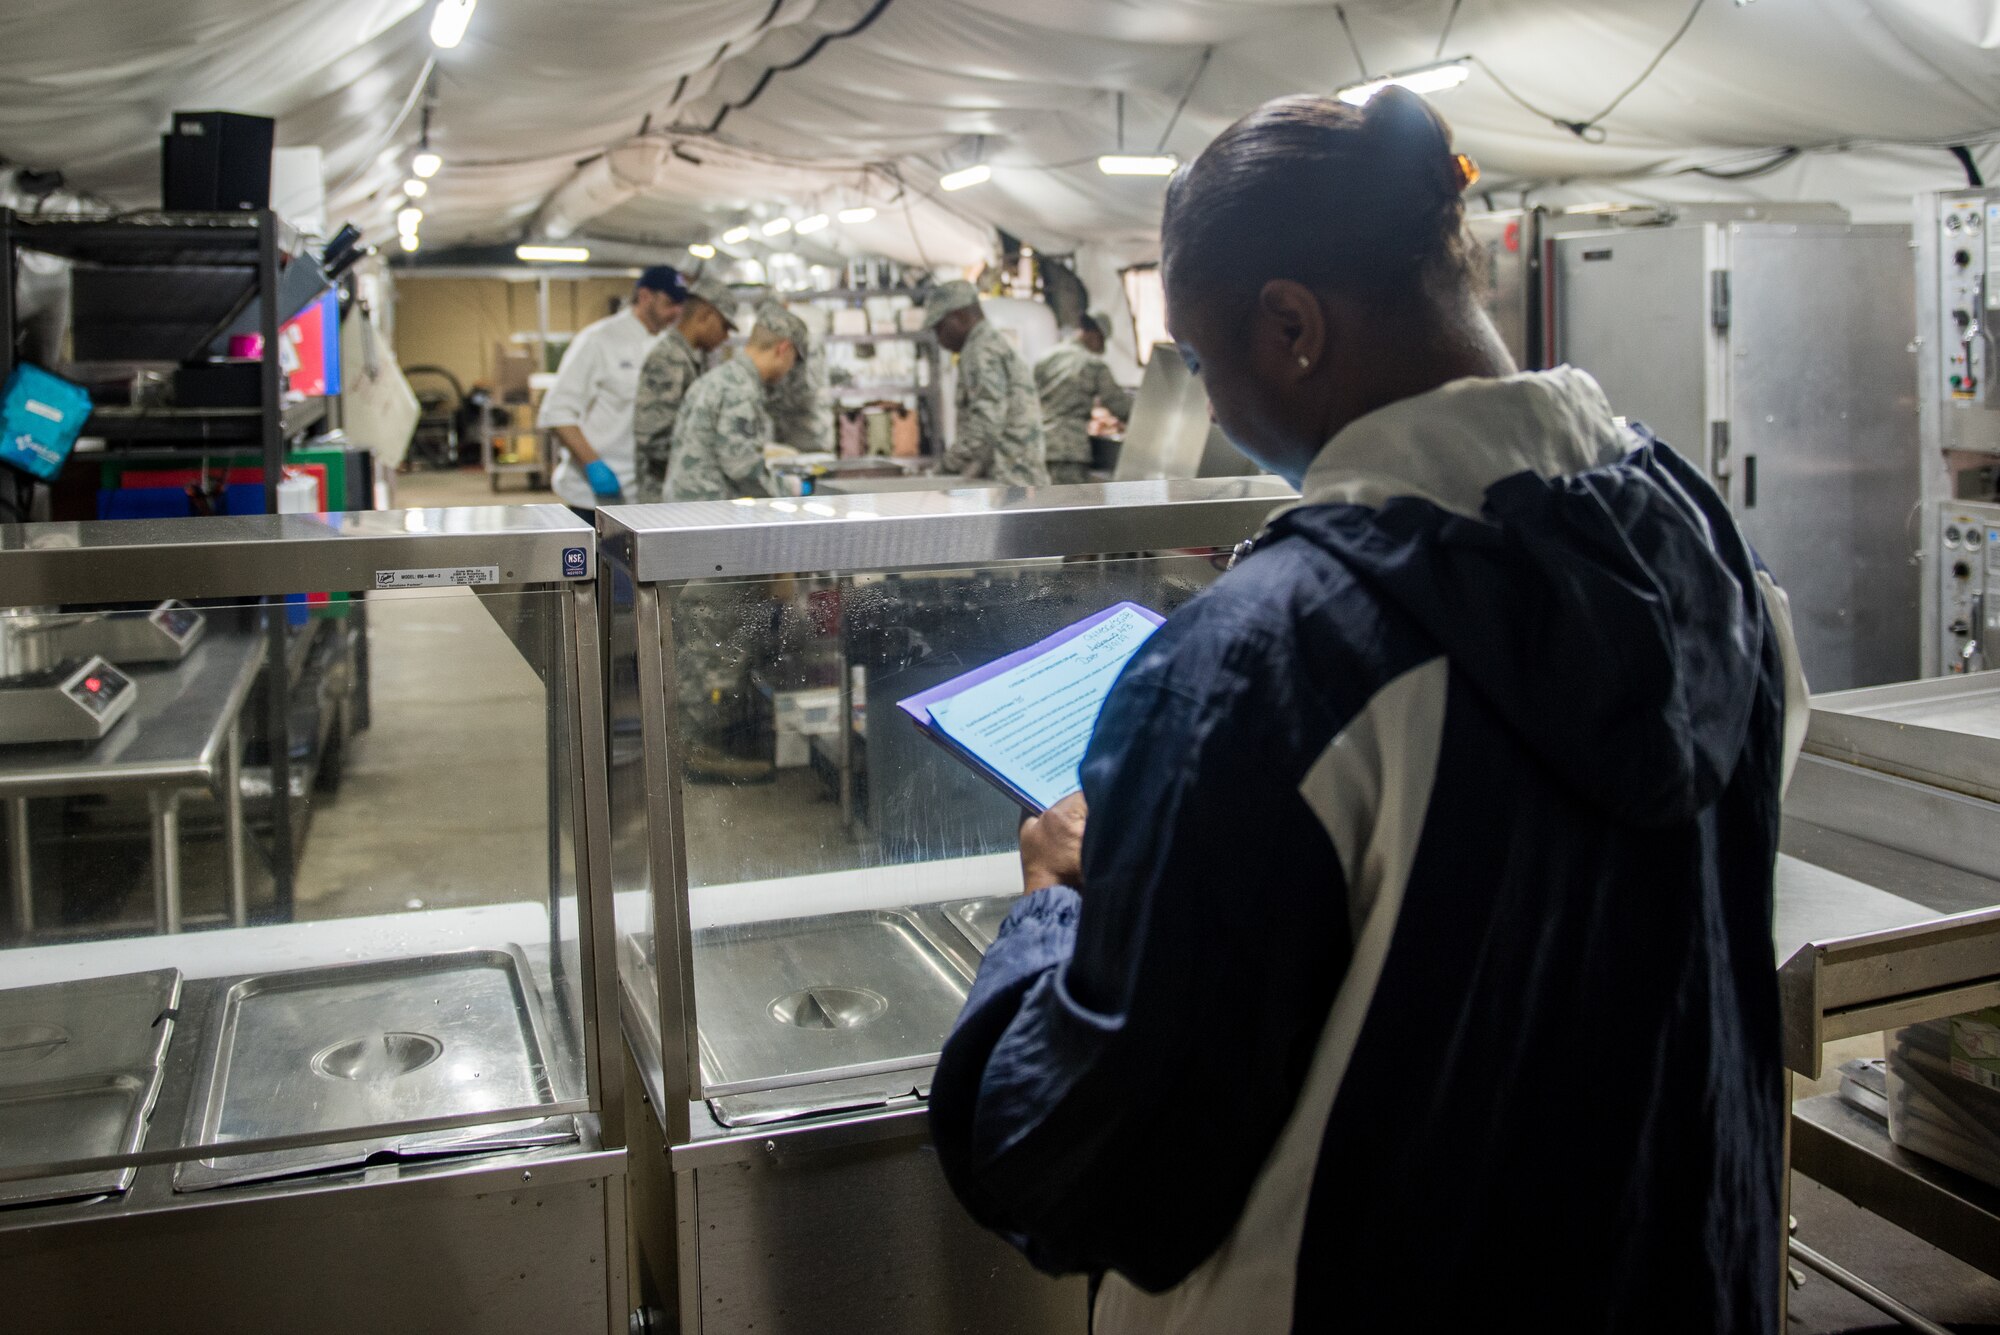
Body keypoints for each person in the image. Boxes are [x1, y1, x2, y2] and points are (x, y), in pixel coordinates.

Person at [929, 88, 1808, 1335]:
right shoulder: (1701, 546)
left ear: (1288, 326)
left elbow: (1094, 1174)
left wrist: (1053, 911)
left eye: (1199, 356)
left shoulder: (1266, 662)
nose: (1209, 401)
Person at [540, 265, 684, 510]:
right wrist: (594, 466)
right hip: (593, 498)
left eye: (681, 305)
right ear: (645, 296)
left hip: (648, 496)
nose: (676, 312)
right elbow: (557, 413)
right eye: (670, 303)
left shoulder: (669, 346)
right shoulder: (599, 340)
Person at [665, 303, 806, 502]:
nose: (791, 368)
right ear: (783, 349)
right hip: (706, 515)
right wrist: (788, 488)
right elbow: (742, 467)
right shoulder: (741, 390)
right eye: (794, 359)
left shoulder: (719, 378)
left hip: (685, 510)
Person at [926, 280, 1048, 486]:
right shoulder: (989, 342)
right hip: (1016, 477)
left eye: (940, 328)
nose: (939, 339)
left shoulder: (980, 350)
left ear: (960, 316)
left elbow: (986, 422)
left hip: (1009, 480)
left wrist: (944, 469)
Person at [631, 270, 737, 503]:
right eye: (724, 327)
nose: (725, 337)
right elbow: (652, 439)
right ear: (706, 315)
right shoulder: (669, 359)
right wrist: (717, 450)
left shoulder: (690, 358)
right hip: (661, 499)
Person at [1033, 311, 1133, 484]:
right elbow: (1118, 404)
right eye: (1101, 342)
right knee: (1069, 507)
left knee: (1046, 506)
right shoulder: (1092, 364)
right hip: (1069, 451)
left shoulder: (1046, 358)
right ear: (1094, 335)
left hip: (1039, 446)